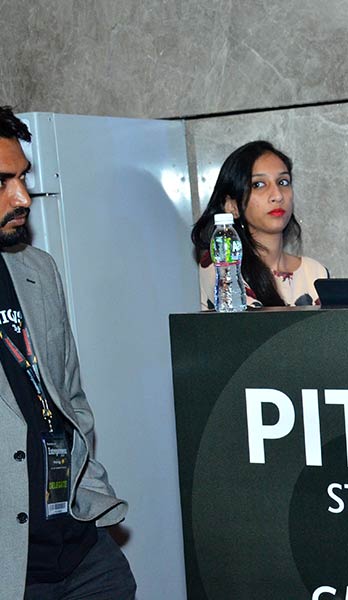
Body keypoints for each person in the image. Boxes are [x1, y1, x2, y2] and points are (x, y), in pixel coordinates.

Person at [0, 106, 136, 598]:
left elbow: (70, 397)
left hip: (82, 548)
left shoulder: (37, 269)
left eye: (23, 177)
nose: (22, 197)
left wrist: (90, 491)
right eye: (2, 182)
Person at [191, 140, 329, 309]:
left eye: (283, 182)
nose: (277, 195)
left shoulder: (314, 272)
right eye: (258, 184)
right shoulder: (223, 265)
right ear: (232, 206)